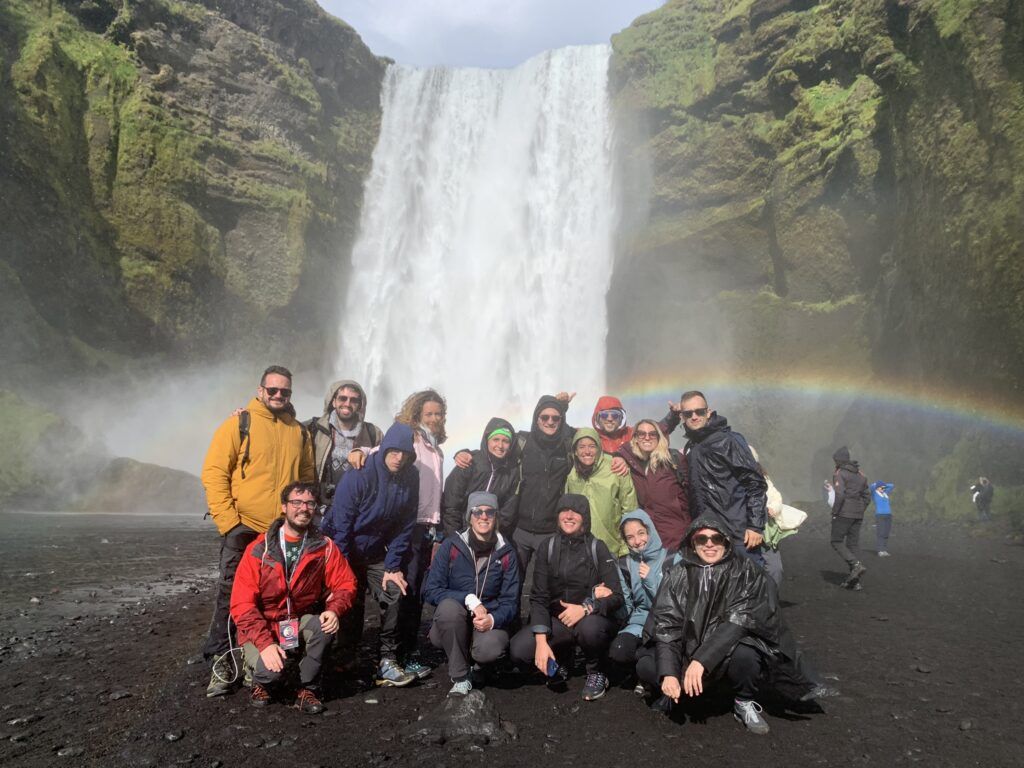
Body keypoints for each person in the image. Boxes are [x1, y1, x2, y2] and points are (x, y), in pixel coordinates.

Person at [201, 365, 315, 697]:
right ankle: (222, 662)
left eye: (285, 391)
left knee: (279, 598)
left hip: (282, 533)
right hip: (244, 528)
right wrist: (229, 522)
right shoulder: (240, 423)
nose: (279, 395)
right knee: (230, 597)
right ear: (260, 390)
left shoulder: (299, 432)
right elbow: (214, 472)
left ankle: (264, 659)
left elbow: (306, 479)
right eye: (273, 390)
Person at [653, 517, 818, 735]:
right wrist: (670, 673)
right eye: (702, 538)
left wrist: (701, 660)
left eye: (716, 538)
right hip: (689, 647)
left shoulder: (745, 571)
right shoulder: (678, 573)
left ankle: (743, 701)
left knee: (747, 655)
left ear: (726, 541)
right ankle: (674, 691)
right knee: (648, 664)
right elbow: (667, 624)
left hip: (727, 650)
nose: (709, 544)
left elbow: (740, 621)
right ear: (692, 543)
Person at [229, 483, 357, 713]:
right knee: (270, 673)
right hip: (262, 626)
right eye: (296, 502)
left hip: (295, 622)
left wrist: (334, 609)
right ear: (284, 507)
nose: (303, 508)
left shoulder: (324, 547)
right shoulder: (259, 549)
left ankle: (307, 688)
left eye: (309, 503)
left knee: (322, 626)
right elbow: (242, 604)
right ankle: (258, 680)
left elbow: (345, 583)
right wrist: (265, 644)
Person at [347, 390, 447, 680]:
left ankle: (404, 651)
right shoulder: (412, 438)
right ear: (417, 415)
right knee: (406, 590)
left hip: (427, 525)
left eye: (438, 413)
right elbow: (382, 451)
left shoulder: (435, 444)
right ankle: (400, 654)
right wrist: (361, 452)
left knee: (414, 591)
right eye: (428, 413)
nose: (434, 418)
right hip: (410, 524)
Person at [322, 422, 419, 687]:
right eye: (395, 451)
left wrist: (392, 565)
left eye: (406, 454)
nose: (400, 458)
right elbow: (341, 526)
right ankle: (344, 655)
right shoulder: (360, 473)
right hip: (344, 547)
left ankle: (386, 660)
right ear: (385, 447)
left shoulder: (411, 477)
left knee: (393, 590)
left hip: (375, 551)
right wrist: (338, 571)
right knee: (347, 595)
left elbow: (405, 525)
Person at [509, 494, 624, 701]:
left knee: (591, 629)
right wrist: (542, 641)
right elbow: (539, 597)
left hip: (589, 619)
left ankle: (596, 671)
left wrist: (586, 608)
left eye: (576, 511)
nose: (569, 516)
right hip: (559, 620)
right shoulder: (548, 547)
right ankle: (562, 659)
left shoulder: (597, 547)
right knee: (519, 650)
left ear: (585, 518)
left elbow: (617, 596)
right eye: (564, 510)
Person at [423, 492, 520, 696]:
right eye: (477, 511)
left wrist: (492, 620)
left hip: (486, 620)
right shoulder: (451, 545)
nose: (483, 517)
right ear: (469, 516)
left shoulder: (507, 552)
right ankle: (460, 676)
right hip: (456, 617)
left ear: (496, 517)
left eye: (489, 512)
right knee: (447, 613)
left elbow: (511, 602)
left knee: (490, 649)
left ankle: (478, 665)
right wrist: (467, 598)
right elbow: (431, 589)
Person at [679, 390, 768, 565]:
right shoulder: (692, 446)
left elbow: (755, 483)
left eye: (700, 412)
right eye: (688, 413)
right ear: (683, 417)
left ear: (709, 412)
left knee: (751, 585)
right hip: (710, 536)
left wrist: (755, 526)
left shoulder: (728, 441)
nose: (694, 416)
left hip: (738, 532)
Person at [608, 510, 665, 696]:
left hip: (664, 621)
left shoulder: (671, 559)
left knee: (654, 658)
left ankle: (648, 675)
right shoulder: (625, 563)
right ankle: (640, 669)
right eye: (630, 537)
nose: (637, 541)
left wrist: (649, 580)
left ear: (650, 531)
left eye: (641, 533)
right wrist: (601, 598)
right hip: (639, 620)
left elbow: (671, 603)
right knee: (619, 650)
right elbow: (626, 603)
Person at [615, 420, 691, 553]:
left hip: (678, 536)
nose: (647, 437)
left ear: (659, 437)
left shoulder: (673, 460)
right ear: (635, 438)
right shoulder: (631, 464)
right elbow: (623, 450)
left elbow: (692, 494)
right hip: (650, 541)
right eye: (641, 434)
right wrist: (618, 456)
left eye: (652, 434)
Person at [306, 380, 382, 510]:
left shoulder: (373, 433)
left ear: (360, 405)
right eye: (342, 398)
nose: (347, 404)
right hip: (317, 506)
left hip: (354, 508)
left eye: (354, 400)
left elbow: (383, 462)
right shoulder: (313, 428)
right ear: (333, 401)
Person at [565, 427, 638, 558]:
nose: (587, 451)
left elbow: (630, 510)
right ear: (575, 451)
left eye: (592, 446)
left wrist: (625, 548)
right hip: (580, 549)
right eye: (581, 447)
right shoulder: (572, 476)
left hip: (611, 548)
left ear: (599, 448)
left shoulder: (615, 468)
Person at [442, 417, 521, 539]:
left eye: (505, 441)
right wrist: (455, 538)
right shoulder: (469, 462)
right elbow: (451, 505)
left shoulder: (511, 472)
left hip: (489, 533)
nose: (500, 445)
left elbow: (507, 513)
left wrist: (493, 537)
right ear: (487, 440)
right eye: (496, 439)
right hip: (460, 530)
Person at [830, 446, 871, 590]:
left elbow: (840, 495)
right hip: (858, 515)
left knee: (836, 541)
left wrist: (835, 512)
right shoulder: (861, 475)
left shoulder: (840, 473)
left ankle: (856, 564)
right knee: (852, 545)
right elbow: (867, 496)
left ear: (838, 460)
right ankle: (855, 582)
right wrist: (860, 509)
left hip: (844, 514)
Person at [591, 395, 682, 454]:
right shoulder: (590, 438)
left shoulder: (631, 434)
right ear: (597, 418)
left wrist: (673, 415)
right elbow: (576, 434)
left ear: (621, 417)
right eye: (604, 415)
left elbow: (658, 429)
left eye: (614, 415)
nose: (609, 419)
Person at [870, 481, 895, 556]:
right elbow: (872, 486)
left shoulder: (885, 493)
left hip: (888, 515)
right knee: (881, 532)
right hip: (880, 515)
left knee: (886, 533)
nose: (883, 489)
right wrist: (879, 485)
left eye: (884, 488)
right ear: (877, 488)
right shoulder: (875, 494)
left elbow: (892, 485)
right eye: (882, 488)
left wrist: (883, 485)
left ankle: (884, 550)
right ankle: (880, 550)